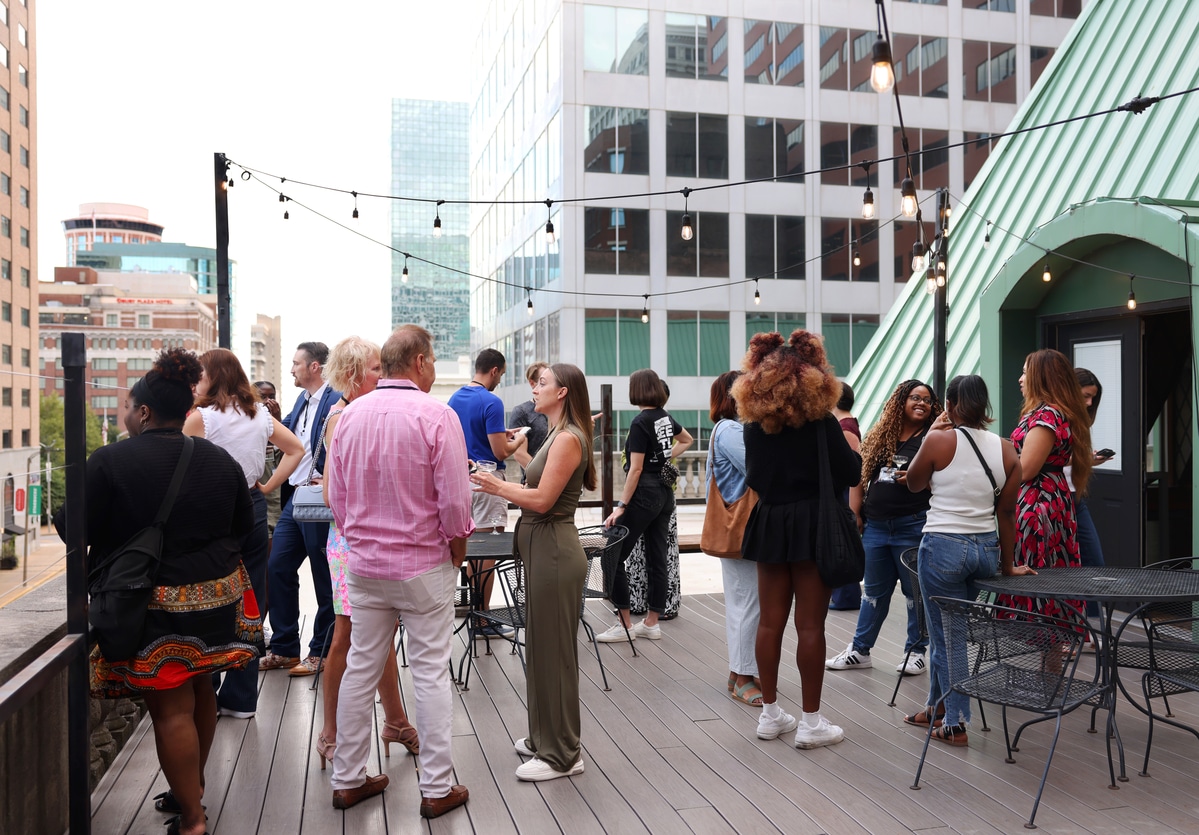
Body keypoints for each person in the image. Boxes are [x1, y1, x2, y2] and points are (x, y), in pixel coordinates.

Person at [82, 349, 261, 835]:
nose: (123, 413)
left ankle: (195, 820)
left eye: (125, 406)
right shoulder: (218, 459)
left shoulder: (110, 461)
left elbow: (74, 530)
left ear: (143, 412)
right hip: (219, 597)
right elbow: (247, 528)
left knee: (171, 706)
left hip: (156, 603)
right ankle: (191, 790)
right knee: (202, 688)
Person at [325, 325, 474, 818]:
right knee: (430, 672)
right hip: (423, 564)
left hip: (365, 565)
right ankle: (435, 789)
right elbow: (455, 503)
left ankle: (347, 779)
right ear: (421, 363)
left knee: (360, 667)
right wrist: (457, 547)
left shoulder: (348, 417)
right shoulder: (437, 415)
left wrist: (360, 540)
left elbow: (338, 500)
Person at [733, 330, 859, 749]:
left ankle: (770, 715)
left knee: (769, 622)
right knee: (810, 625)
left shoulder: (753, 427)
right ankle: (810, 722)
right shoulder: (822, 425)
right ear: (812, 378)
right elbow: (851, 472)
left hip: (770, 521)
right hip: (813, 524)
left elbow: (754, 477)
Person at [471, 363, 595, 782]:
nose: (534, 389)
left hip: (554, 551)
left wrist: (494, 485)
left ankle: (563, 754)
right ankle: (545, 737)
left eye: (542, 383)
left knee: (554, 653)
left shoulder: (567, 439)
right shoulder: (556, 436)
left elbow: (541, 499)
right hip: (544, 550)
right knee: (541, 647)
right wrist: (509, 461)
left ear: (562, 393)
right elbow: (538, 481)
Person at [903, 374, 1033, 746]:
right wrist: (1007, 565)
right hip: (985, 550)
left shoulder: (938, 440)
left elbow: (913, 483)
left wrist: (933, 434)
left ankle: (956, 722)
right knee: (948, 632)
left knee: (949, 638)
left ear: (950, 402)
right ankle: (936, 707)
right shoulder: (1008, 449)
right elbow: (1006, 514)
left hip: (943, 546)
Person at [316, 337, 420, 771]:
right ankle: (331, 731)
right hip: (351, 539)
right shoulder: (343, 417)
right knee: (345, 635)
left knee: (378, 633)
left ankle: (395, 720)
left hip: (361, 537)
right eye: (377, 369)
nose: (384, 375)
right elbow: (330, 492)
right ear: (355, 375)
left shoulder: (359, 413)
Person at [183, 349, 303, 719]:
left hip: (211, 513)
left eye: (200, 373)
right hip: (249, 506)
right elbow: (296, 449)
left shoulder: (200, 418)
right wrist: (265, 487)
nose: (197, 380)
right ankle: (241, 697)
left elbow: (181, 468)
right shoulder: (259, 414)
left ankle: (207, 690)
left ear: (212, 376)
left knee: (208, 597)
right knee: (252, 600)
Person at [828, 380, 940, 676]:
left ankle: (915, 651)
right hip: (876, 526)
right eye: (915, 397)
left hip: (913, 526)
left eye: (927, 400)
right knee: (873, 592)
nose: (921, 403)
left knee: (915, 593)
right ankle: (859, 650)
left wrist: (918, 479)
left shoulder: (934, 437)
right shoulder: (881, 435)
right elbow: (859, 476)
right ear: (900, 401)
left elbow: (943, 479)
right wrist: (855, 514)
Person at [262, 342, 343, 676]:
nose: (291, 368)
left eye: (296, 363)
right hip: (295, 496)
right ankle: (284, 647)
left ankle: (321, 651)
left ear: (315, 367)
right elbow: (288, 436)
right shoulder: (302, 399)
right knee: (277, 566)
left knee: (324, 577)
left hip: (319, 497)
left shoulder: (336, 398)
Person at [598, 369, 693, 642]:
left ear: (637, 389)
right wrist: (663, 457)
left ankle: (625, 624)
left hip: (644, 494)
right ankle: (651, 622)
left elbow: (635, 470)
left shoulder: (641, 422)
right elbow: (686, 440)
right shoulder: (664, 417)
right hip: (665, 494)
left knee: (611, 554)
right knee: (656, 557)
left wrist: (621, 506)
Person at [1000, 349, 1092, 620]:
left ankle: (1047, 642)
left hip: (1037, 502)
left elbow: (1026, 469)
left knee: (1038, 573)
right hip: (1048, 497)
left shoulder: (1047, 416)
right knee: (1050, 570)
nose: (1020, 379)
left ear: (1041, 377)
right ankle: (1050, 656)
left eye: (1026, 372)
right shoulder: (1048, 412)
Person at [448, 348, 525, 631]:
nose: (500, 380)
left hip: (462, 481)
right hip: (488, 483)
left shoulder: (455, 397)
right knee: (488, 555)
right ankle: (482, 619)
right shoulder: (491, 401)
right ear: (494, 370)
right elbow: (500, 452)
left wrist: (499, 435)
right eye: (501, 375)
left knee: (472, 551)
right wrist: (517, 441)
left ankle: (474, 614)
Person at [706, 370, 763, 706]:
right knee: (748, 603)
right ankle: (743, 677)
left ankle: (739, 671)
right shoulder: (731, 430)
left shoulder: (729, 429)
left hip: (744, 528)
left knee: (746, 602)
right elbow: (759, 469)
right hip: (745, 528)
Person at [1073, 368, 1109, 625]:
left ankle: (1094, 629)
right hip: (1053, 503)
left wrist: (1089, 460)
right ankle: (1063, 633)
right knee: (1061, 570)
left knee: (1094, 564)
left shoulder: (1079, 422)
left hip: (1076, 501)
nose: (1089, 403)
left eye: (1092, 399)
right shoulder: (1052, 418)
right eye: (1086, 396)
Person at [829, 382, 863, 610]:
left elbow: (855, 471)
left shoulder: (845, 428)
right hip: (843, 493)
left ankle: (846, 597)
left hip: (844, 495)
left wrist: (854, 509)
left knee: (843, 545)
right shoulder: (845, 425)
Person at [508, 361, 550, 483]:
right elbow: (519, 454)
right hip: (535, 482)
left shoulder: (560, 410)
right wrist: (546, 478)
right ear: (532, 383)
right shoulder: (522, 411)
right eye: (543, 382)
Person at [254, 381, 284, 551]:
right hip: (261, 505)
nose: (267, 401)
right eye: (262, 397)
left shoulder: (282, 427)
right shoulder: (249, 427)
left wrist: (276, 420)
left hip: (279, 503)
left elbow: (291, 456)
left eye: (271, 396)